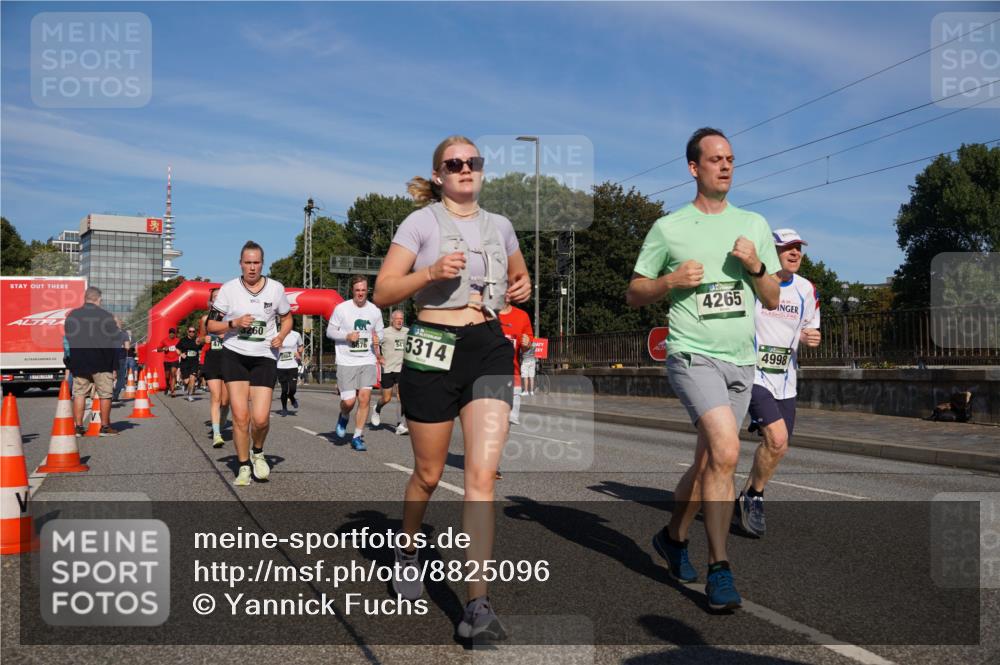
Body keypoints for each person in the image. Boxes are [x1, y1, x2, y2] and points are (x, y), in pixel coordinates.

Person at [373, 135, 531, 641]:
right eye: (454, 163)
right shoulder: (420, 223)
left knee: (482, 477)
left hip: (487, 342)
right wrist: (429, 272)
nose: (465, 168)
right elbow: (383, 290)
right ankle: (407, 547)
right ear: (439, 175)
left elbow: (521, 275)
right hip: (432, 345)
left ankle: (477, 606)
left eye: (473, 162)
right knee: (428, 472)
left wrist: (522, 287)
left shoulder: (500, 226)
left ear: (482, 171)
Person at [626, 127, 781, 611]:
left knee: (708, 463)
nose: (726, 165)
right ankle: (720, 568)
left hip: (741, 361)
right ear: (694, 168)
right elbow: (634, 293)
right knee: (727, 451)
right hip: (692, 354)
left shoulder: (753, 224)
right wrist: (670, 280)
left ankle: (673, 538)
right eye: (715, 159)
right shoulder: (668, 229)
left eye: (731, 158)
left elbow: (773, 296)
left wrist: (756, 267)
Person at [737, 229, 821, 538]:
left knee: (778, 448)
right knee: (777, 439)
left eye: (799, 247)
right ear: (772, 252)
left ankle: (746, 495)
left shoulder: (807, 290)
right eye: (788, 247)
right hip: (753, 373)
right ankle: (755, 498)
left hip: (787, 379)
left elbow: (811, 329)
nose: (796, 252)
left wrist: (811, 337)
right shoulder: (755, 283)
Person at [206, 241, 292, 486]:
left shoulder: (275, 289)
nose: (252, 268)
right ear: (240, 264)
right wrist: (233, 324)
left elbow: (287, 318)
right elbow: (211, 326)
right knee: (241, 417)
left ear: (262, 264)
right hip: (235, 354)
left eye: (256, 263)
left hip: (264, 356)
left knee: (261, 419)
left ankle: (258, 451)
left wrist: (282, 336)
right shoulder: (228, 289)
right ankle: (244, 465)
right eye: (248, 263)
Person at [327, 275, 384, 451]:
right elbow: (329, 332)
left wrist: (377, 339)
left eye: (363, 290)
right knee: (350, 402)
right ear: (352, 291)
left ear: (368, 290)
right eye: (357, 290)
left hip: (367, 359)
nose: (360, 293)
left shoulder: (375, 311)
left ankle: (357, 436)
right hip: (346, 361)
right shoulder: (342, 309)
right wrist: (346, 336)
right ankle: (344, 415)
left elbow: (380, 333)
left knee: (365, 398)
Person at [64, 286, 121, 436]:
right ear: (98, 299)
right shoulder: (106, 316)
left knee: (79, 394)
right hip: (102, 362)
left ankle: (78, 427)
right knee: (105, 394)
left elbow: (68, 337)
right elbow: (116, 338)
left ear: (85, 298)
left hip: (79, 362)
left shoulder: (72, 315)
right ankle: (104, 427)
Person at [198, 288, 230, 448]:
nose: (217, 300)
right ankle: (216, 433)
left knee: (226, 400)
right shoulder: (205, 319)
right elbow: (199, 340)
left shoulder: (232, 318)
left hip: (230, 359)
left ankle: (222, 421)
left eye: (220, 297)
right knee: (216, 397)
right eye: (215, 298)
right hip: (213, 360)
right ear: (210, 302)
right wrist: (205, 338)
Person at [373, 309, 409, 435]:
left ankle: (400, 425)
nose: (399, 321)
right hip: (388, 369)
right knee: (386, 398)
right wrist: (379, 356)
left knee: (402, 397)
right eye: (397, 319)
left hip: (402, 369)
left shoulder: (407, 332)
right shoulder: (385, 333)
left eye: (401, 319)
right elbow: (375, 344)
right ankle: (377, 409)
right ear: (392, 320)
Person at [276, 328, 304, 414]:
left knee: (293, 389)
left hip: (293, 366)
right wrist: (277, 349)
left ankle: (291, 397)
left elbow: (301, 346)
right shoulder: (277, 335)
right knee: (284, 390)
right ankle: (284, 409)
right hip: (281, 366)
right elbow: (271, 347)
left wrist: (299, 353)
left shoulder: (296, 334)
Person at [177, 325, 201, 402]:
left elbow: (201, 349)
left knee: (192, 379)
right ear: (187, 332)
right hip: (185, 363)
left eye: (193, 331)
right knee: (186, 381)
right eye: (190, 331)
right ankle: (184, 384)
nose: (192, 333)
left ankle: (190, 395)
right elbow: (177, 349)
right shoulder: (183, 340)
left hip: (194, 362)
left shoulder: (197, 340)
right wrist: (181, 354)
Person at [155, 328, 182, 397]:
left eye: (173, 333)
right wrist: (163, 349)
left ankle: (172, 391)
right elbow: (158, 349)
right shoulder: (164, 340)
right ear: (169, 333)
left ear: (175, 334)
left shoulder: (178, 340)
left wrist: (181, 351)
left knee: (173, 374)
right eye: (171, 333)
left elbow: (182, 348)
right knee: (167, 376)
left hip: (175, 360)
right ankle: (167, 385)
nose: (172, 334)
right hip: (167, 360)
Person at [111, 317, 130, 403]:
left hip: (109, 357)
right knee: (121, 378)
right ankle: (115, 395)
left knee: (108, 377)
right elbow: (127, 347)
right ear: (120, 323)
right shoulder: (124, 334)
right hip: (120, 358)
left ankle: (107, 394)